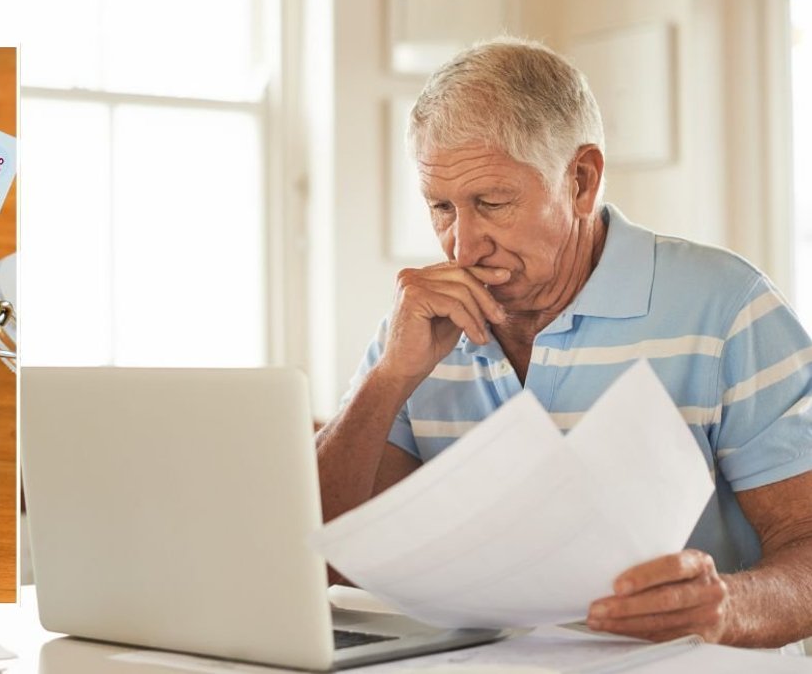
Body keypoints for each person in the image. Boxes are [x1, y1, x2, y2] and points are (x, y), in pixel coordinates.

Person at [316, 37, 812, 649]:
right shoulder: (418, 325)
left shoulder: (729, 306)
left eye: (491, 203)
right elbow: (322, 563)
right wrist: (388, 379)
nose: (461, 246)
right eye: (441, 207)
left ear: (581, 180)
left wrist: (723, 609)